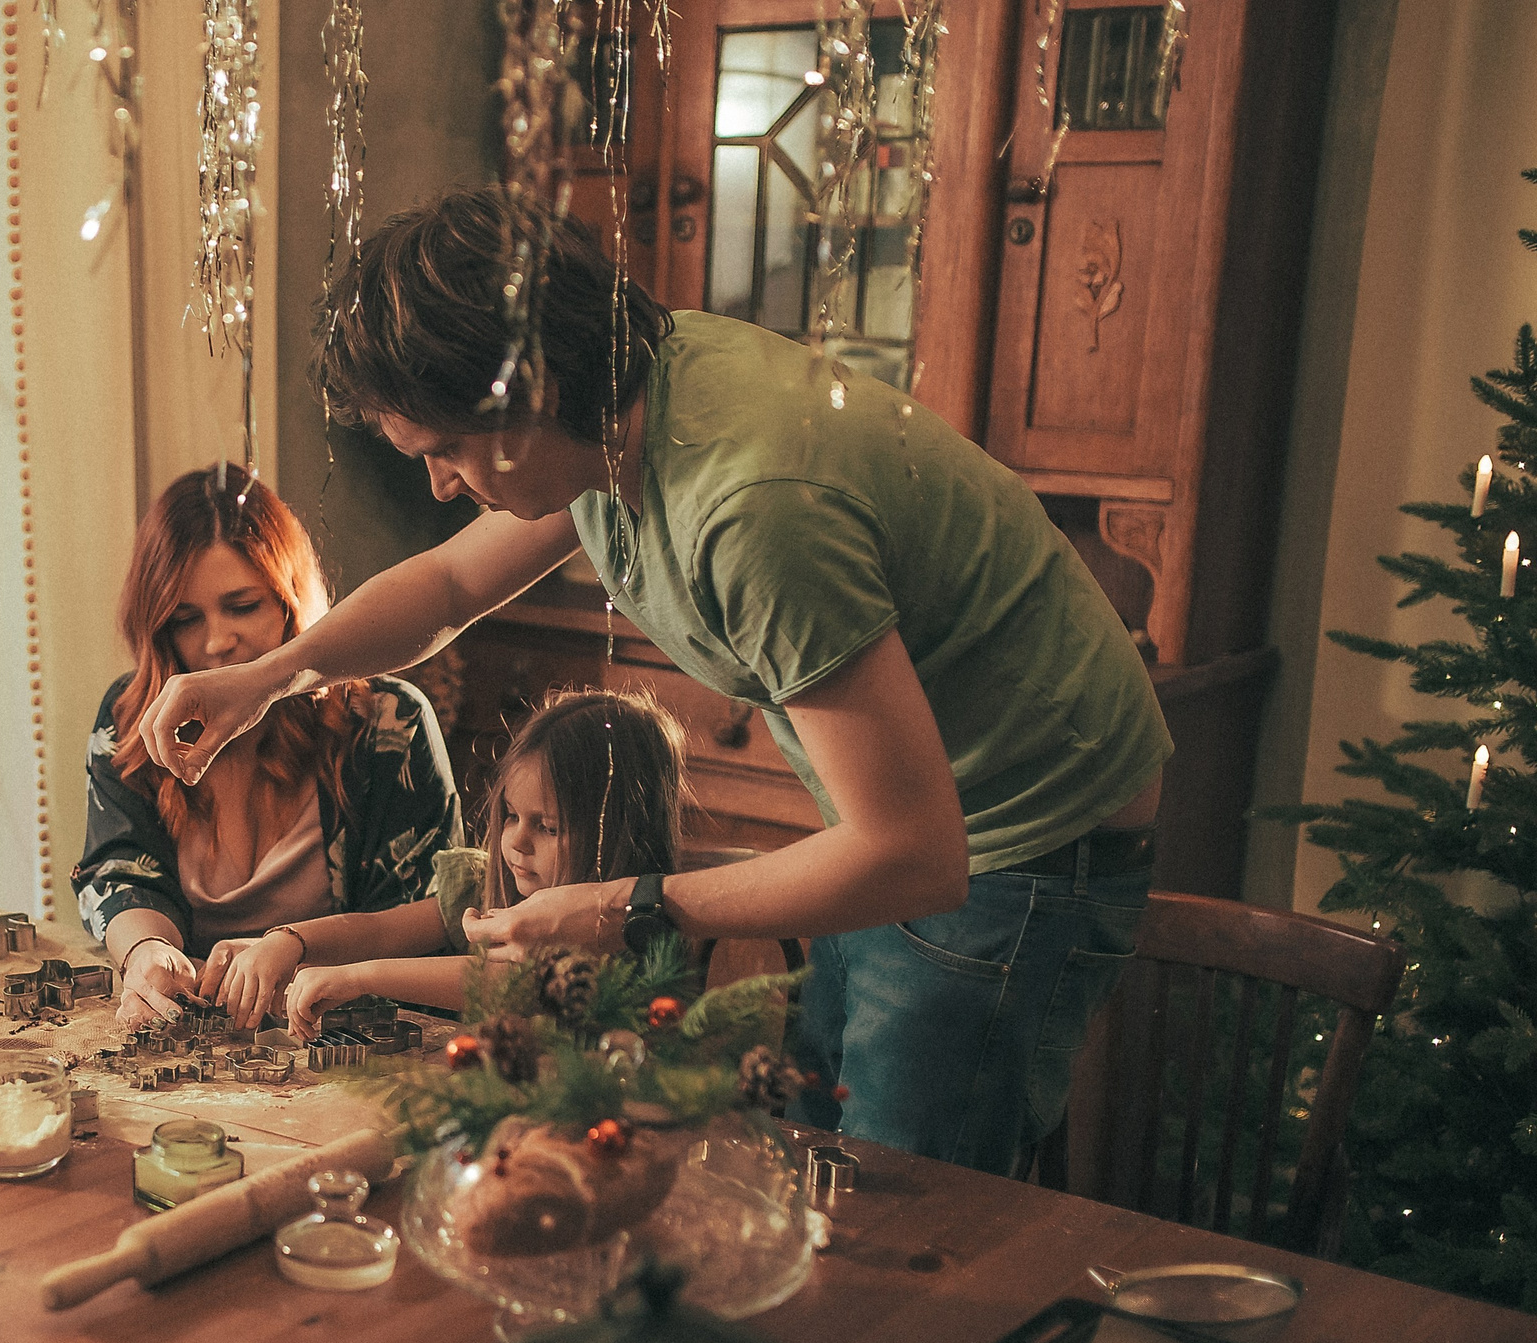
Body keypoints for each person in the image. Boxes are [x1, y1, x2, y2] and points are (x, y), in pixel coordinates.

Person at [135, 188, 1172, 1177]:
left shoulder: (753, 506)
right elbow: (448, 583)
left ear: (524, 397)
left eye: (445, 453)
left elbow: (912, 854)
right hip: (920, 825)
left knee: (899, 1205)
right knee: (815, 1155)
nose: (438, 485)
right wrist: (266, 679)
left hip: (1027, 835)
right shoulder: (616, 405)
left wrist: (634, 904)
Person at [72, 463, 462, 1027]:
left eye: (243, 606)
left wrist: (293, 949)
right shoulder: (132, 716)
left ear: (289, 600)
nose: (217, 641)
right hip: (201, 1042)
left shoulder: (386, 724)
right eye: (185, 619)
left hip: (349, 1039)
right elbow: (118, 871)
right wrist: (143, 953)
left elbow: (434, 922)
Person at [201, 690, 690, 1038]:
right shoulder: (484, 886)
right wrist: (289, 942)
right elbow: (379, 930)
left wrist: (360, 978)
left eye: (549, 827)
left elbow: (510, 984)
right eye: (513, 816)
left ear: (620, 832)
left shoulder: (621, 929)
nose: (516, 841)